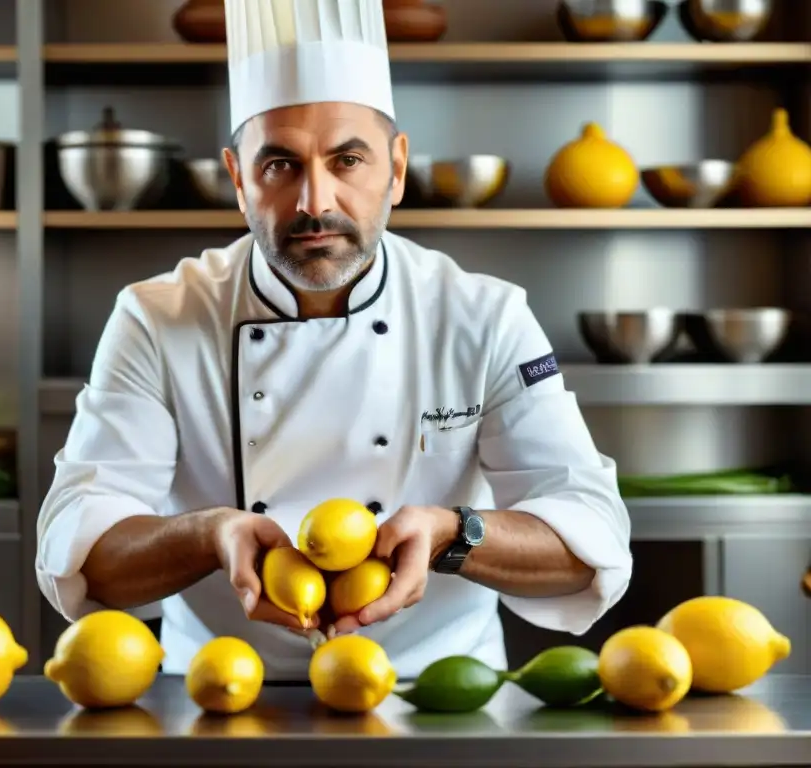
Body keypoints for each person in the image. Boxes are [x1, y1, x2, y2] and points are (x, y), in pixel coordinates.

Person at [36, 0, 633, 681]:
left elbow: (591, 540)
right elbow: (78, 551)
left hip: (440, 697)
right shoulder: (157, 317)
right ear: (237, 179)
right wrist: (209, 535)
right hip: (217, 697)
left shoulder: (485, 318)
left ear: (397, 167)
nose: (313, 202)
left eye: (347, 160)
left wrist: (452, 534)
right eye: (279, 166)